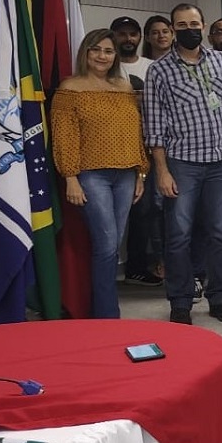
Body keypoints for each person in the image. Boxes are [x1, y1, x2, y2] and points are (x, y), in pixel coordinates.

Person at [142, 3, 222, 324]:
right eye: (182, 25)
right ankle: (181, 301)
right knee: (179, 236)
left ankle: (220, 298)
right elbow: (154, 127)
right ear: (173, 29)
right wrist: (162, 171)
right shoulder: (159, 71)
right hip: (182, 164)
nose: (189, 30)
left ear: (204, 26)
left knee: (220, 235)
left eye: (194, 24)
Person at [51, 28, 148, 318]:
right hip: (92, 176)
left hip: (125, 175)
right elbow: (64, 137)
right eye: (96, 50)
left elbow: (135, 132)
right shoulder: (70, 88)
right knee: (106, 245)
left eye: (108, 51)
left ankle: (103, 310)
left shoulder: (124, 88)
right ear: (85, 52)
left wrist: (141, 172)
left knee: (113, 246)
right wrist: (70, 177)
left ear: (115, 55)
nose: (102, 56)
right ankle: (107, 316)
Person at [111, 16, 162, 286]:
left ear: (140, 37)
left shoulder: (152, 67)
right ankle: (114, 268)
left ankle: (138, 265)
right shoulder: (107, 66)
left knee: (146, 209)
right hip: (115, 146)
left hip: (149, 147)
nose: (128, 39)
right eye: (122, 34)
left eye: (132, 34)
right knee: (117, 212)